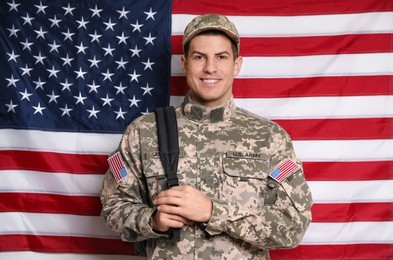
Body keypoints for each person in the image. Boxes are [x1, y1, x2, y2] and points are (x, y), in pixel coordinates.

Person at [100, 14, 313, 259]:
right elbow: (113, 208)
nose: (210, 68)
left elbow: (294, 224)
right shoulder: (143, 132)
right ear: (185, 63)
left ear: (237, 64)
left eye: (221, 57)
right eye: (199, 57)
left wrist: (213, 211)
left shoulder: (269, 137)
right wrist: (153, 220)